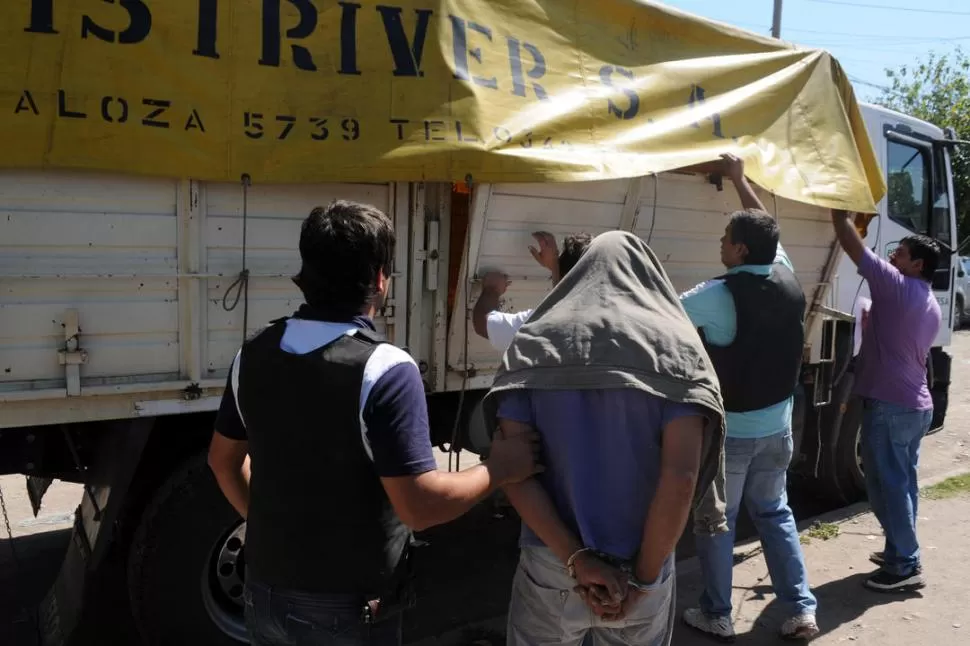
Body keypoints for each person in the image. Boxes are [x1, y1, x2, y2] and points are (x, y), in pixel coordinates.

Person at [206, 200, 543, 646]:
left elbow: (222, 462)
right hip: (345, 612)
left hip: (263, 595)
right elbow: (420, 507)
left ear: (306, 271)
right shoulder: (384, 368)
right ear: (380, 279)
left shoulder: (252, 353)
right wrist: (501, 467)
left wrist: (272, 526)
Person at [482, 230, 727, 646]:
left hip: (552, 565)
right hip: (643, 561)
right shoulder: (678, 349)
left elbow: (513, 470)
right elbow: (681, 477)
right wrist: (643, 580)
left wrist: (577, 560)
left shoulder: (534, 342)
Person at [680, 154, 819, 641]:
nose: (719, 245)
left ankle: (718, 612)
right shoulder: (784, 271)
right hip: (777, 428)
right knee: (775, 512)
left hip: (733, 436)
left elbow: (661, 316)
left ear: (738, 250)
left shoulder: (716, 295)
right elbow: (767, 232)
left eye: (724, 240)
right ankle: (801, 607)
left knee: (716, 520)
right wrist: (740, 180)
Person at [830, 209, 941, 592]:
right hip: (914, 405)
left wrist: (839, 212)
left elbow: (853, 248)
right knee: (902, 484)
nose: (893, 257)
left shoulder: (895, 285)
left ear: (917, 264)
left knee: (884, 487)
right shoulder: (927, 299)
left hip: (893, 405)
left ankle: (905, 565)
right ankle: (900, 551)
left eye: (901, 253)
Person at [473, 231, 592, 352]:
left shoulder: (546, 323)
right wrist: (556, 268)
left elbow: (483, 324)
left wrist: (492, 289)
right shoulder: (606, 319)